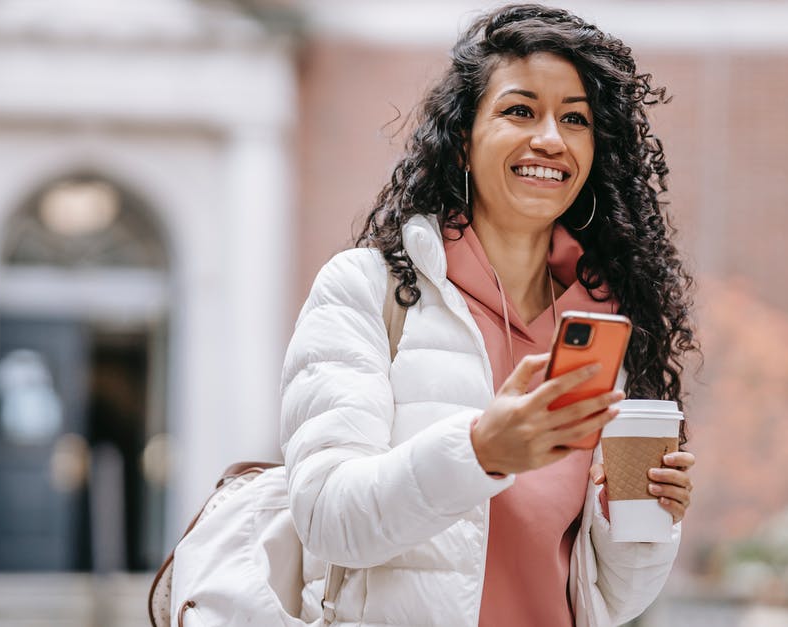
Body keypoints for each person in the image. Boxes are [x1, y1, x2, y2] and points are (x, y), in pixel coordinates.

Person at [279, 4, 699, 626]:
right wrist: (480, 451)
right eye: (520, 110)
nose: (550, 138)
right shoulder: (369, 290)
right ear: (461, 144)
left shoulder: (605, 320)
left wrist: (639, 517)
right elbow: (328, 518)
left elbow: (611, 599)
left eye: (575, 119)